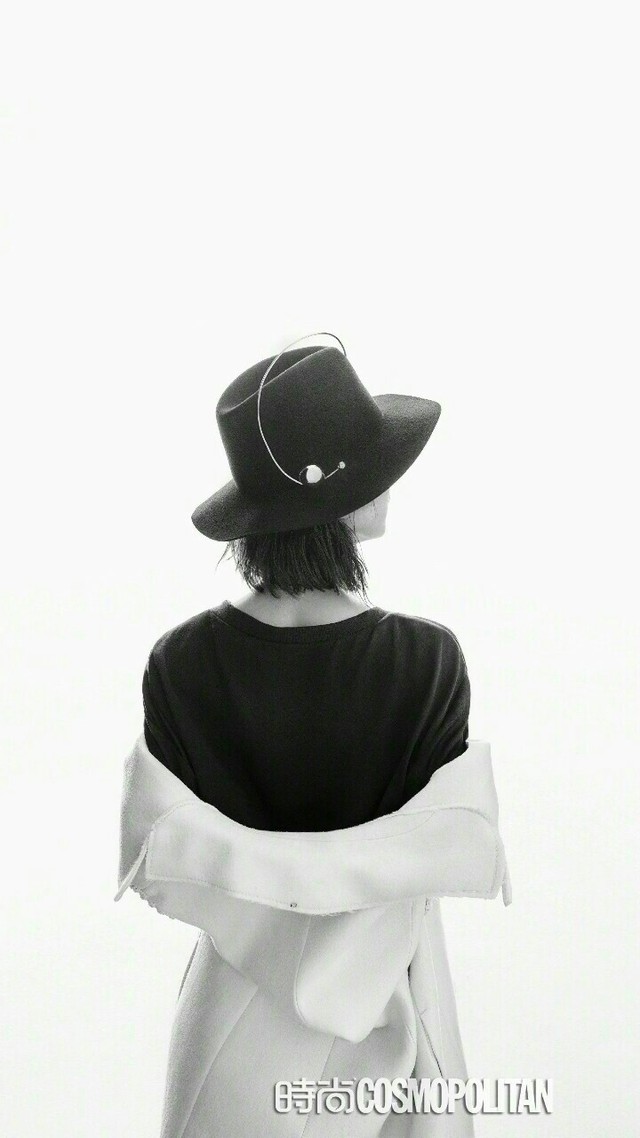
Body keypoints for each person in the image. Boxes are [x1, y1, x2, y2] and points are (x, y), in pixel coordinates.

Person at [115, 332, 511, 1137]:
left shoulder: (179, 665)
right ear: (336, 496)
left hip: (228, 1037)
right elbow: (438, 842)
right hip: (392, 1025)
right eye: (374, 464)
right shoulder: (426, 662)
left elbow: (173, 851)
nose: (391, 479)